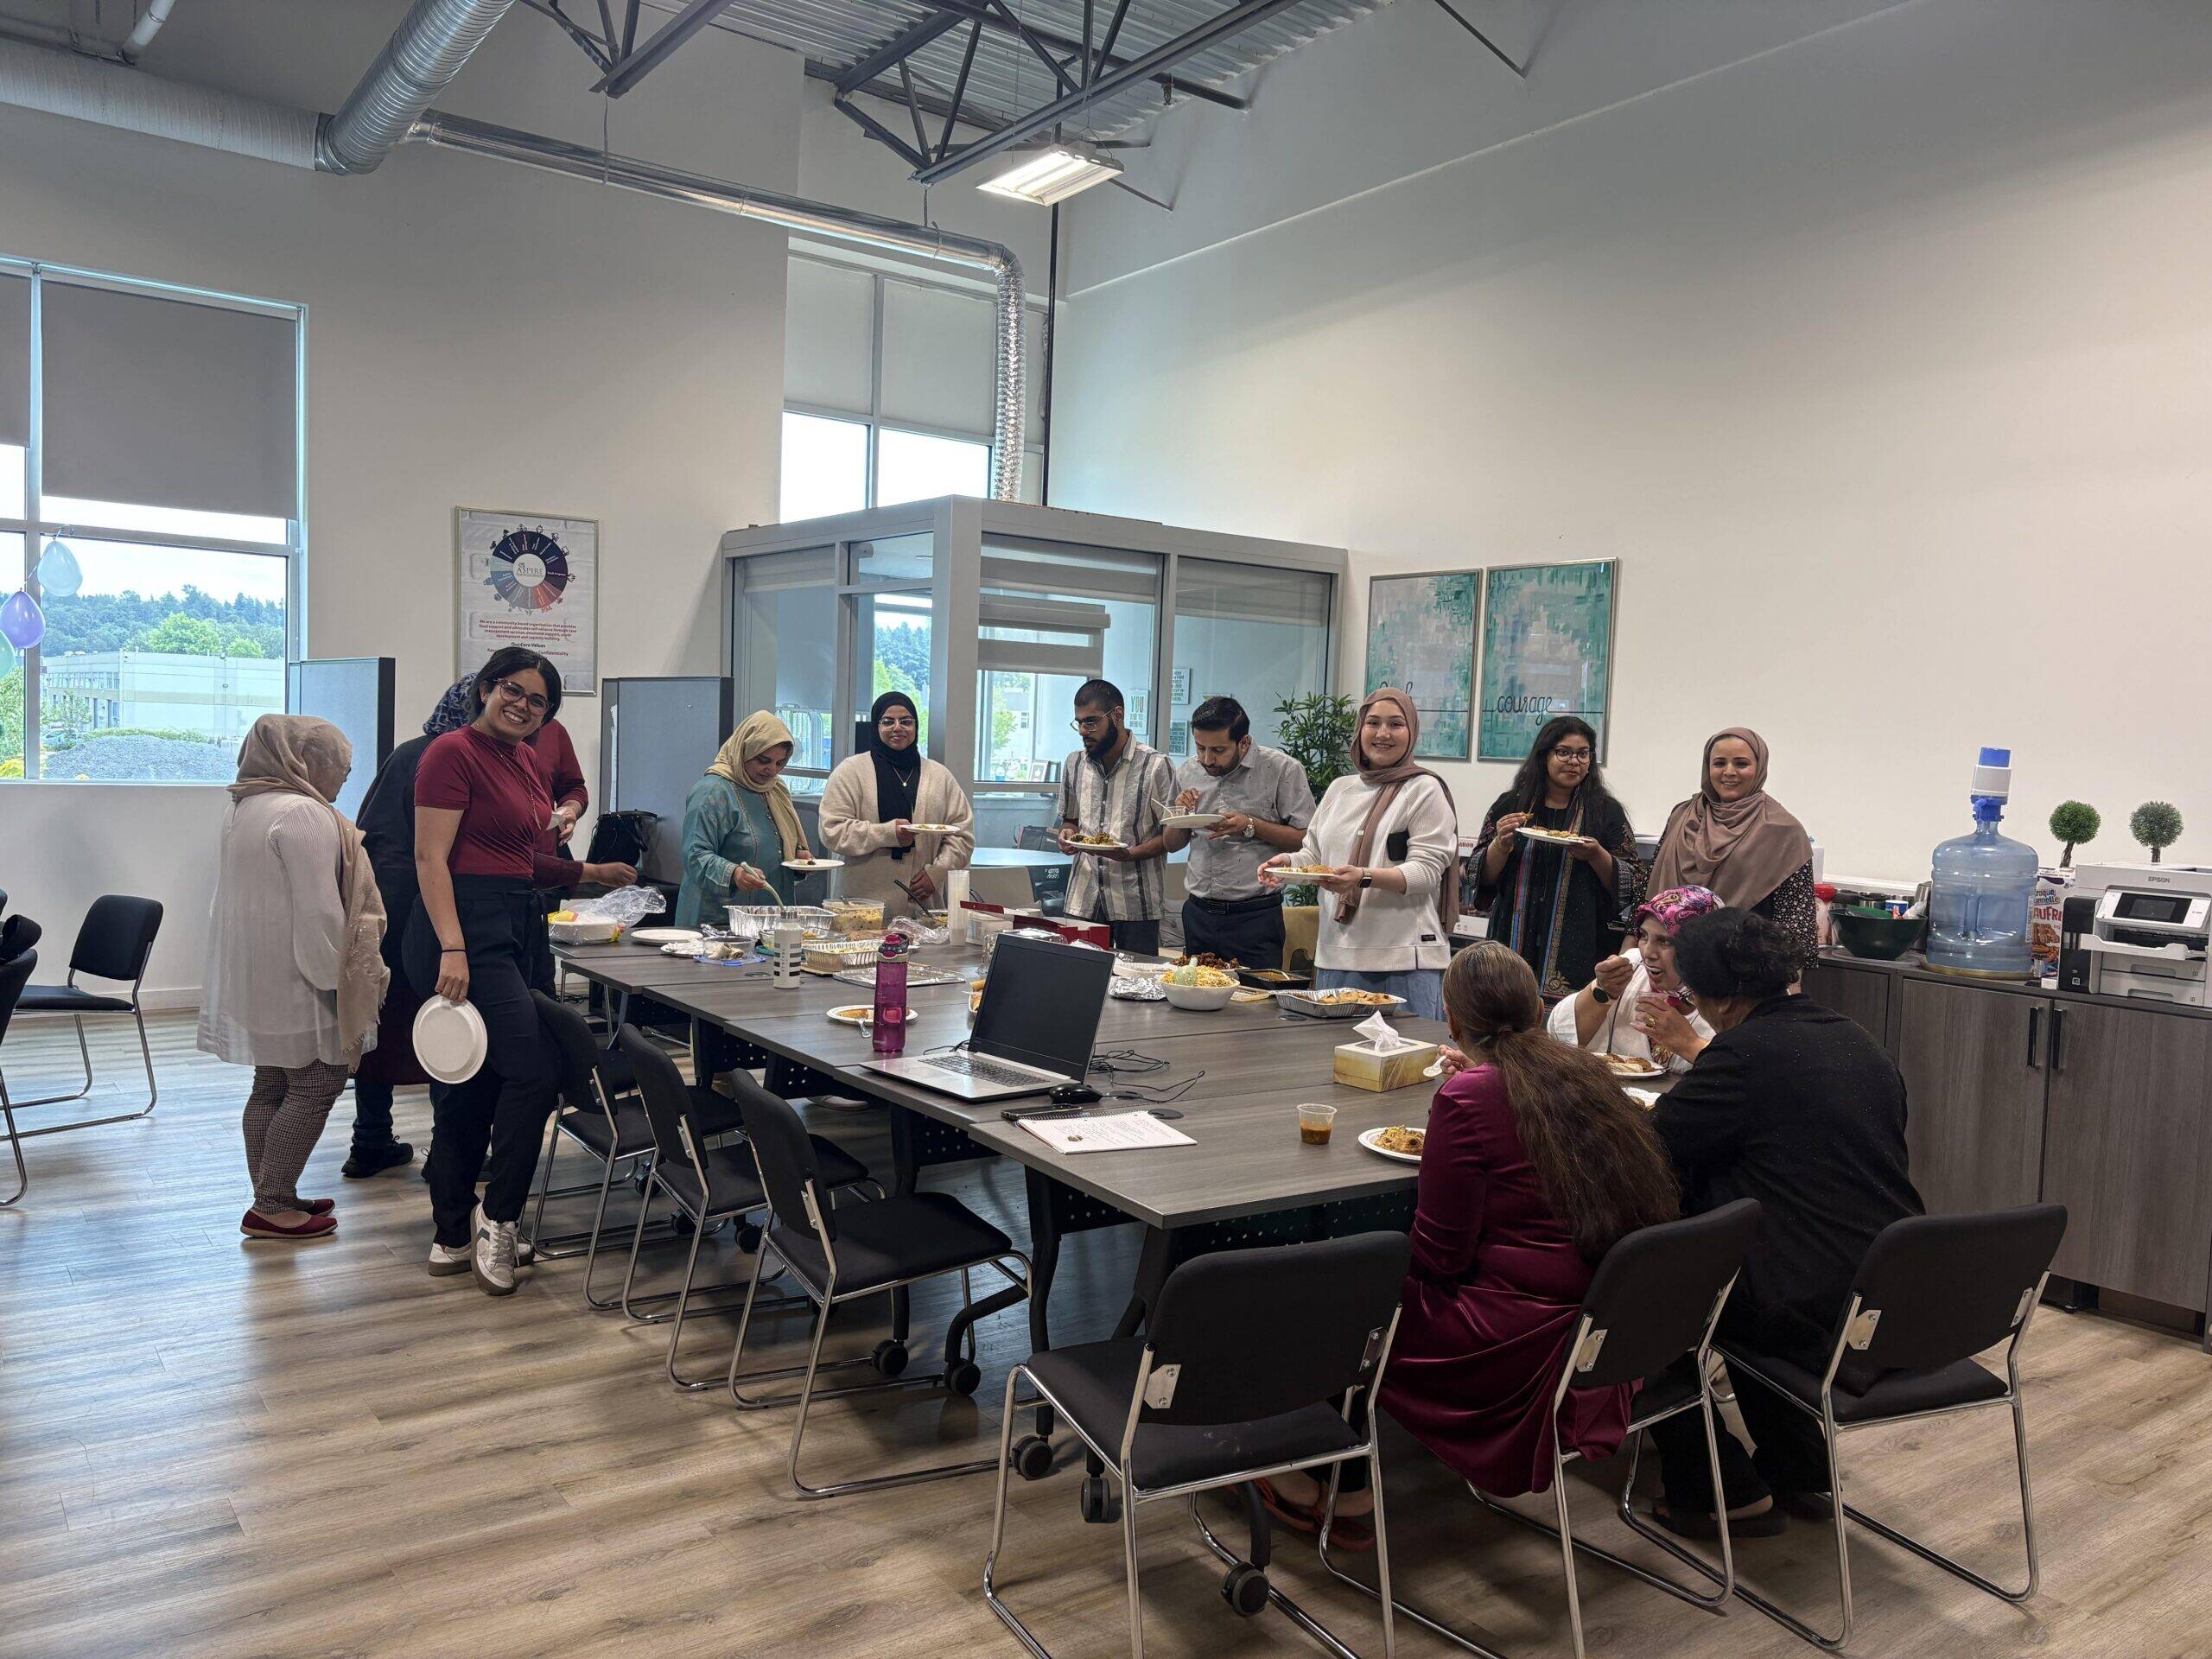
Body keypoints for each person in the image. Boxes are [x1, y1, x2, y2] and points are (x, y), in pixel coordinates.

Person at [1255, 942, 1680, 1544]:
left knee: (1343, 1291)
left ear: (1452, 1021)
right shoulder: (1586, 1077)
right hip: (1597, 1325)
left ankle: (1337, 1489)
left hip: (1515, 1340)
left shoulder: (1468, 1098)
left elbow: (1440, 1258)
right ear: (1537, 1010)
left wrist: (1462, 1103)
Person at [1643, 908, 1923, 1535]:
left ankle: (1719, 1490)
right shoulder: (1857, 1039)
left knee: (1647, 1292)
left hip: (1809, 1305)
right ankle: (1798, 1468)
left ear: (1718, 997)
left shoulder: (1743, 1054)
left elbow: (1650, 1150)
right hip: (1893, 1293)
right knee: (1765, 1252)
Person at [410, 649, 637, 1294]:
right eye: (513, 690)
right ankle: (500, 1218)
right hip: (467, 927)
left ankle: (452, 1233)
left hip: (516, 920)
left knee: (477, 1080)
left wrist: (588, 872)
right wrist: (454, 948)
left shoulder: (525, 760)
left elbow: (519, 859)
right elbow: (431, 859)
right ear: (486, 688)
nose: (523, 706)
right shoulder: (451, 753)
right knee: (535, 1069)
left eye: (539, 701)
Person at [199, 715, 389, 1242]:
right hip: (302, 975)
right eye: (340, 766)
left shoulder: (245, 806)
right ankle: (273, 1202)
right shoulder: (304, 812)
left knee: (271, 1082)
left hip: (256, 971)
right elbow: (319, 911)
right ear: (306, 762)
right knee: (318, 1081)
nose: (344, 776)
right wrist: (342, 978)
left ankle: (271, 1193)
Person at [1259, 688, 1459, 1021]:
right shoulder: (1340, 789)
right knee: (1333, 1054)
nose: (1383, 734)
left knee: (1407, 1055)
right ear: (1360, 729)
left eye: (1395, 724)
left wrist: (1364, 877)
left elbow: (1426, 873)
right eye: (1373, 723)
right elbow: (1315, 856)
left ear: (1411, 731)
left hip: (1402, 961)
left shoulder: (1424, 789)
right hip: (1336, 955)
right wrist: (1288, 864)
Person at [1473, 715, 1642, 998]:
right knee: (1505, 1007)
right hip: (1511, 935)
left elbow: (1633, 880)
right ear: (1544, 755)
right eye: (1564, 752)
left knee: (1568, 1020)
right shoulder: (1511, 804)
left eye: (1583, 754)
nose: (1574, 762)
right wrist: (1500, 846)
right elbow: (1477, 875)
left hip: (1580, 942)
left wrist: (1596, 855)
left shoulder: (1605, 811)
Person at [1162, 696, 1316, 967]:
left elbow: (1306, 840)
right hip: (1199, 913)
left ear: (1244, 742)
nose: (1207, 759)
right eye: (1200, 747)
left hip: (1254, 916)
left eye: (1218, 750)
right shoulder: (1188, 771)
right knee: (1195, 992)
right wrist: (1180, 814)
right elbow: (1171, 844)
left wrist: (1250, 825)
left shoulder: (1282, 770)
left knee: (1256, 993)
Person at [1649, 728, 1817, 966]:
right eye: (1719, 763)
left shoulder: (1783, 830)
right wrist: (1630, 946)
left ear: (1759, 767)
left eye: (1741, 764)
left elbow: (1796, 918)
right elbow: (1649, 884)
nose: (1729, 772)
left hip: (1744, 965)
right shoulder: (1682, 815)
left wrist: (1792, 979)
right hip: (1671, 959)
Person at [818, 691, 974, 918]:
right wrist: (887, 833)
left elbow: (962, 833)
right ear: (876, 726)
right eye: (888, 721)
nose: (898, 728)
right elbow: (832, 831)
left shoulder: (940, 776)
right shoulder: (850, 772)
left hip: (921, 905)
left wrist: (939, 872)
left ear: (916, 726)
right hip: (861, 907)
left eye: (906, 722)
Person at [1543, 886, 1720, 1073]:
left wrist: (1690, 1044)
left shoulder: (1728, 995)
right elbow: (1560, 1037)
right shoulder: (1633, 966)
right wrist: (1603, 991)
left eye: (1665, 941)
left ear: (1700, 947)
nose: (1648, 953)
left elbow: (1737, 1072)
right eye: (1644, 936)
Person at [1057, 678, 1176, 954]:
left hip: (1136, 902)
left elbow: (1172, 837)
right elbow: (1070, 820)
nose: (1084, 731)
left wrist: (1130, 854)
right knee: (1077, 975)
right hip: (1082, 899)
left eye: (1091, 722)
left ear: (1117, 715)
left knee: (1138, 978)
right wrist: (1067, 835)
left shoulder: (1156, 766)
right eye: (1079, 723)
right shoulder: (1075, 763)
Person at [672, 711, 814, 926]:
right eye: (764, 761)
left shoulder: (775, 790)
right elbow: (695, 855)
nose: (771, 770)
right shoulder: (713, 792)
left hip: (769, 919)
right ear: (744, 751)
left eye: (780, 763)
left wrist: (797, 858)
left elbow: (778, 846)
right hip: (716, 922)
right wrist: (734, 873)